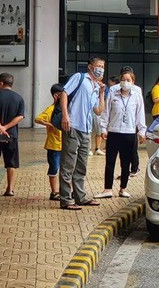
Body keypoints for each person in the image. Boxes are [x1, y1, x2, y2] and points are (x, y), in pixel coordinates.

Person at [59, 57, 106, 210]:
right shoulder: (79, 78)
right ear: (90, 66)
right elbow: (64, 93)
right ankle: (66, 200)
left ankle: (80, 197)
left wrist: (101, 93)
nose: (100, 69)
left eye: (102, 67)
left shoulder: (95, 86)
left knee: (81, 165)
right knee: (68, 164)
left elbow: (98, 111)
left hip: (86, 130)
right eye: (98, 66)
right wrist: (66, 116)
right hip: (73, 125)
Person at [96, 69, 146, 199]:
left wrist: (142, 131)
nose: (125, 82)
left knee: (126, 163)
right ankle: (107, 189)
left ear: (133, 82)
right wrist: (103, 128)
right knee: (110, 162)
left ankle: (123, 188)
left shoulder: (136, 96)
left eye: (128, 80)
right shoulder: (113, 93)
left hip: (129, 133)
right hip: (114, 132)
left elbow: (140, 114)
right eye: (123, 79)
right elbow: (106, 111)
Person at [34, 84, 64, 201]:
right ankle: (54, 192)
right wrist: (50, 124)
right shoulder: (51, 109)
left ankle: (65, 191)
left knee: (66, 169)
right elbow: (38, 119)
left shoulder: (65, 109)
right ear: (56, 96)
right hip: (53, 145)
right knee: (54, 168)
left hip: (65, 145)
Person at [91, 75, 117, 156]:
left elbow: (106, 100)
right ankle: (89, 149)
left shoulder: (106, 88)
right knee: (90, 131)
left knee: (99, 130)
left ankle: (97, 148)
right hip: (92, 110)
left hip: (100, 110)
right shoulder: (90, 85)